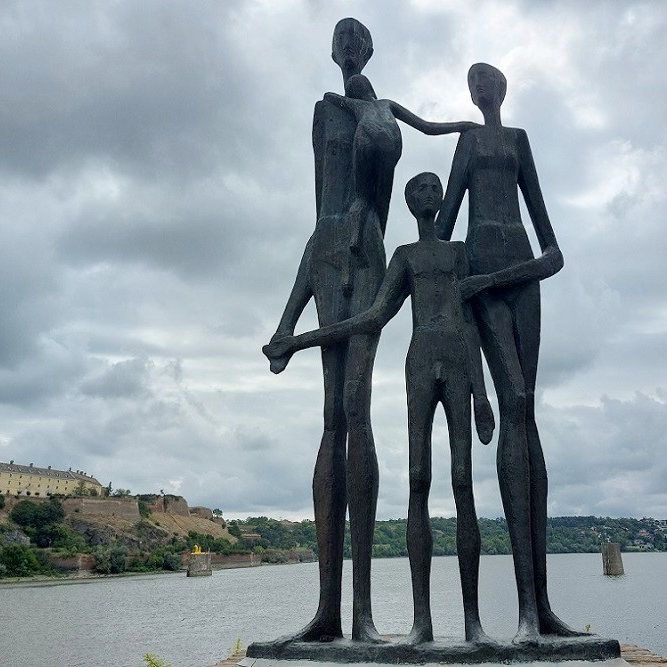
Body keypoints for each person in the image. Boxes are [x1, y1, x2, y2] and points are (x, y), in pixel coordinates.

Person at [266, 19, 477, 643]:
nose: (350, 52)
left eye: (358, 45)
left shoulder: (372, 108)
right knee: (331, 418)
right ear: (333, 51)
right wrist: (288, 319)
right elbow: (318, 213)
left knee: (356, 412)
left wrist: (365, 105)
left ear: (368, 53)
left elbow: (387, 147)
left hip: (366, 256)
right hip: (327, 252)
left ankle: (362, 612)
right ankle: (330, 610)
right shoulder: (321, 114)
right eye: (343, 45)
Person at [435, 63, 582, 644]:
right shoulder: (468, 144)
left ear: (502, 90)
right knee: (514, 401)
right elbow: (444, 227)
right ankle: (526, 611)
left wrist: (504, 278)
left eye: (487, 83)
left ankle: (540, 607)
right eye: (472, 87)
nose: (479, 92)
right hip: (479, 277)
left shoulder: (518, 142)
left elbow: (554, 250)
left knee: (528, 410)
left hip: (516, 277)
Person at [322, 74, 477, 296]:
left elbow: (329, 96)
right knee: (381, 202)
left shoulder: (355, 104)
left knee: (362, 198)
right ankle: (377, 237)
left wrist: (342, 98)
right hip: (391, 144)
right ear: (371, 89)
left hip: (366, 137)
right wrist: (462, 125)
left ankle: (353, 243)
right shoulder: (387, 104)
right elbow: (426, 126)